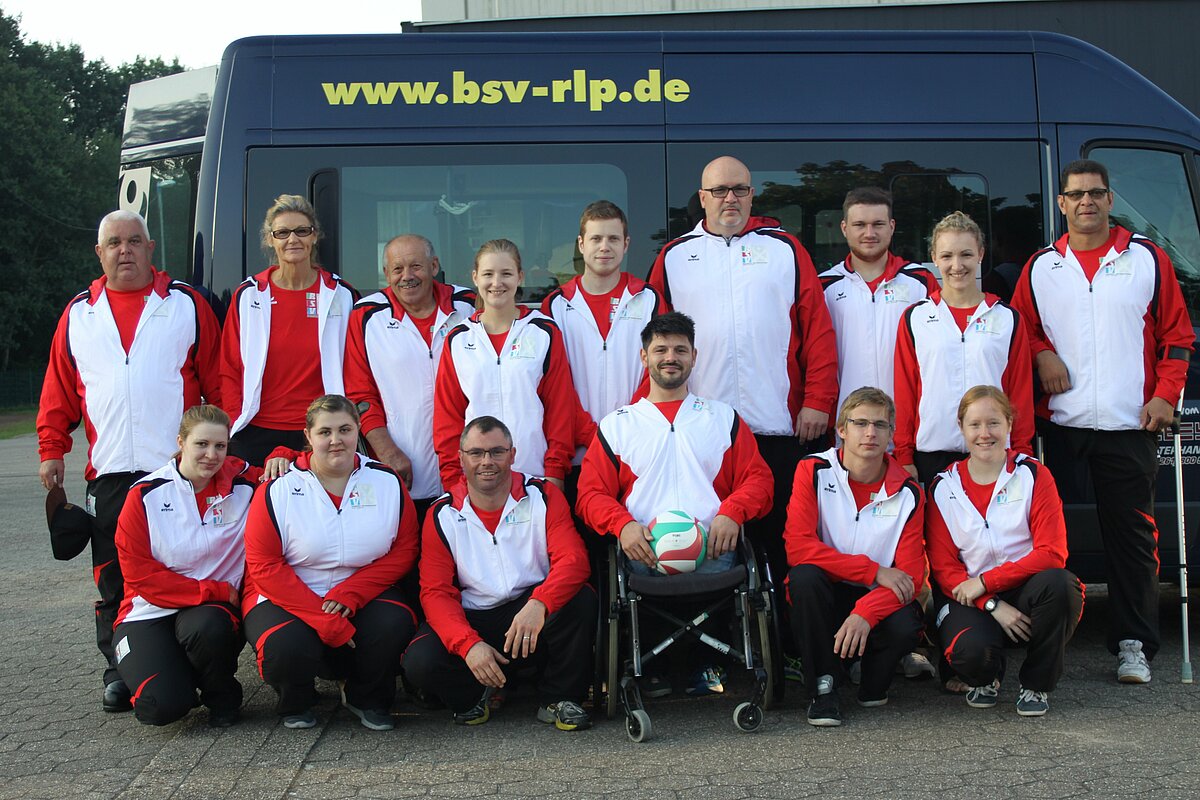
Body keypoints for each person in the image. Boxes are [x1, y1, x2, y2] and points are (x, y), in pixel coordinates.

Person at [1011, 159, 1194, 684]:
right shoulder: (1042, 266)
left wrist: (1165, 396)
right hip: (1061, 427)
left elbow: (1178, 336)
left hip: (1130, 424)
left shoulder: (1147, 259)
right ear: (1062, 204)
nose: (1086, 202)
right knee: (1047, 538)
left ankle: (1134, 644)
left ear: (1111, 200)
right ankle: (1046, 641)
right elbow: (1018, 328)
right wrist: (1042, 353)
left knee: (1132, 541)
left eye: (1095, 193)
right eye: (1076, 194)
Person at [37, 209, 222, 713]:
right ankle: (119, 670)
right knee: (113, 578)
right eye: (115, 243)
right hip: (111, 473)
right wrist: (52, 448)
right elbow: (59, 388)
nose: (125, 250)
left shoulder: (184, 304)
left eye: (134, 241)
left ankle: (186, 660)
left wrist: (222, 449)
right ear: (99, 253)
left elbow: (219, 382)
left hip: (177, 473)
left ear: (150, 248)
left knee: (183, 565)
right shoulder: (80, 313)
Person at [646, 155, 839, 629]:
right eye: (719, 191)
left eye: (739, 189)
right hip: (703, 432)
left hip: (778, 424)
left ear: (752, 195)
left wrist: (817, 400)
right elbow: (655, 343)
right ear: (702, 197)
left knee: (781, 541)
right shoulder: (674, 256)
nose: (729, 198)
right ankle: (721, 643)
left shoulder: (785, 249)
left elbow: (816, 329)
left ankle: (785, 643)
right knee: (710, 545)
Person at [575, 311, 774, 695]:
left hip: (714, 550)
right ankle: (652, 668)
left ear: (694, 357)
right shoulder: (618, 424)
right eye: (661, 349)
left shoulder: (723, 418)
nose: (671, 357)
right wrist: (622, 525)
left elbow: (759, 480)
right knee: (634, 581)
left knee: (729, 574)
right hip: (645, 553)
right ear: (644, 357)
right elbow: (590, 495)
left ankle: (708, 664)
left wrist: (732, 513)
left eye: (680, 350)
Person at [403, 416, 595, 730]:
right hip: (476, 617)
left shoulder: (543, 495)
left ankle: (559, 698)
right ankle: (477, 693)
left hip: (530, 613)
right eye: (476, 453)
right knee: (419, 661)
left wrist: (540, 603)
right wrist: (468, 645)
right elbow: (435, 592)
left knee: (580, 599)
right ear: (461, 458)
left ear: (512, 454)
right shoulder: (442, 513)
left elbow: (573, 560)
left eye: (496, 452)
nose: (486, 461)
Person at [242, 395, 419, 731]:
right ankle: (296, 698)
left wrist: (352, 592)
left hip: (362, 587)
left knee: (394, 623)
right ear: (308, 436)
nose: (336, 440)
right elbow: (263, 565)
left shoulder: (386, 481)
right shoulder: (278, 487)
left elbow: (405, 548)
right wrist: (321, 618)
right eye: (325, 432)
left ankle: (366, 696)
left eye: (345, 430)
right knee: (285, 645)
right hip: (288, 592)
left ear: (357, 431)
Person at [112, 405, 292, 728]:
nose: (211, 455)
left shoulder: (244, 481)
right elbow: (139, 575)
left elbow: (306, 462)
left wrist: (282, 453)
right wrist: (213, 589)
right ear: (181, 442)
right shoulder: (145, 494)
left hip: (210, 614)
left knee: (207, 627)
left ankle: (221, 695)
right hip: (148, 610)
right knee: (160, 706)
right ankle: (173, 676)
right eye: (201, 444)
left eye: (220, 446)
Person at [926, 386, 1084, 716]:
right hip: (969, 596)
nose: (984, 434)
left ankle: (1036, 684)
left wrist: (988, 582)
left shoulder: (1033, 474)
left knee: (1061, 585)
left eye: (994, 423)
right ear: (961, 427)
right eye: (975, 424)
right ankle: (985, 677)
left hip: (1023, 588)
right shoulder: (943, 486)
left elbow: (1052, 553)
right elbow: (943, 568)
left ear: (1010, 424)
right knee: (971, 655)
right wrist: (991, 602)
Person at [783, 387, 925, 727]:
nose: (870, 433)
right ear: (841, 430)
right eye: (860, 423)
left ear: (891, 434)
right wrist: (873, 571)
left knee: (907, 621)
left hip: (875, 601)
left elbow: (911, 577)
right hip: (826, 597)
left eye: (880, 425)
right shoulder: (813, 470)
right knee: (804, 578)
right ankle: (823, 688)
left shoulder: (909, 492)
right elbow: (798, 547)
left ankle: (871, 681)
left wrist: (865, 612)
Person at [894, 211, 1034, 484]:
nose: (956, 265)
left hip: (992, 450)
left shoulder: (1007, 317)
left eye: (966, 255)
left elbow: (1020, 391)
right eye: (947, 256)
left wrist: (1022, 453)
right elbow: (905, 391)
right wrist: (904, 455)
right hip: (932, 454)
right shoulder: (915, 318)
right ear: (934, 257)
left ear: (980, 254)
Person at [343, 234, 476, 515]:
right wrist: (387, 452)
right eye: (397, 269)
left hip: (470, 468)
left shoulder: (468, 304)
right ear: (386, 273)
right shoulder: (367, 315)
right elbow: (360, 395)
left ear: (434, 266)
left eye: (416, 266)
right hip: (404, 470)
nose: (407, 277)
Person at [221, 194, 358, 465]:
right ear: (270, 239)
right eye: (282, 233)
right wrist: (234, 420)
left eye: (301, 231)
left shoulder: (341, 294)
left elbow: (355, 367)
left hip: (321, 431)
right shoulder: (249, 295)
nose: (292, 239)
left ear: (314, 236)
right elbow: (229, 367)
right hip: (256, 430)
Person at [433, 239, 575, 491]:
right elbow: (448, 416)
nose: (497, 283)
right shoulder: (458, 338)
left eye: (506, 274)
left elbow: (560, 409)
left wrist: (555, 472)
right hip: (476, 481)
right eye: (488, 274)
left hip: (533, 475)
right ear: (475, 277)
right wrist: (454, 480)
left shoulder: (543, 331)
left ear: (520, 277)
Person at [541, 201, 668, 460]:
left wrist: (626, 427)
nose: (604, 247)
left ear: (626, 244)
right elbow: (554, 384)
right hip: (577, 453)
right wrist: (590, 434)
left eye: (613, 239)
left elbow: (658, 372)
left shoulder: (648, 299)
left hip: (636, 449)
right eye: (596, 238)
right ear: (581, 244)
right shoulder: (556, 304)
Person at [820, 187, 939, 417]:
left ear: (891, 227)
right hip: (848, 423)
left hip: (908, 419)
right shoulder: (825, 286)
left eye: (878, 224)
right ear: (844, 228)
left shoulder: (921, 281)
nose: (869, 233)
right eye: (860, 225)